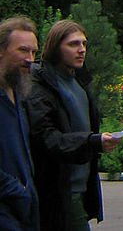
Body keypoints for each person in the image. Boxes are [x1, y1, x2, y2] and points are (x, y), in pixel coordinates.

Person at [26, 19, 122, 231]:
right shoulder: (41, 86)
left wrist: (96, 141)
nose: (81, 50)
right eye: (73, 44)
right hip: (59, 191)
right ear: (55, 47)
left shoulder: (79, 83)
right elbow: (47, 139)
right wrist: (91, 142)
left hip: (81, 187)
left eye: (84, 44)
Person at [0, 16, 40, 231]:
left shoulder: (18, 96)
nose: (30, 59)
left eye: (33, 52)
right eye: (23, 51)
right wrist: (17, 190)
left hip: (23, 213)